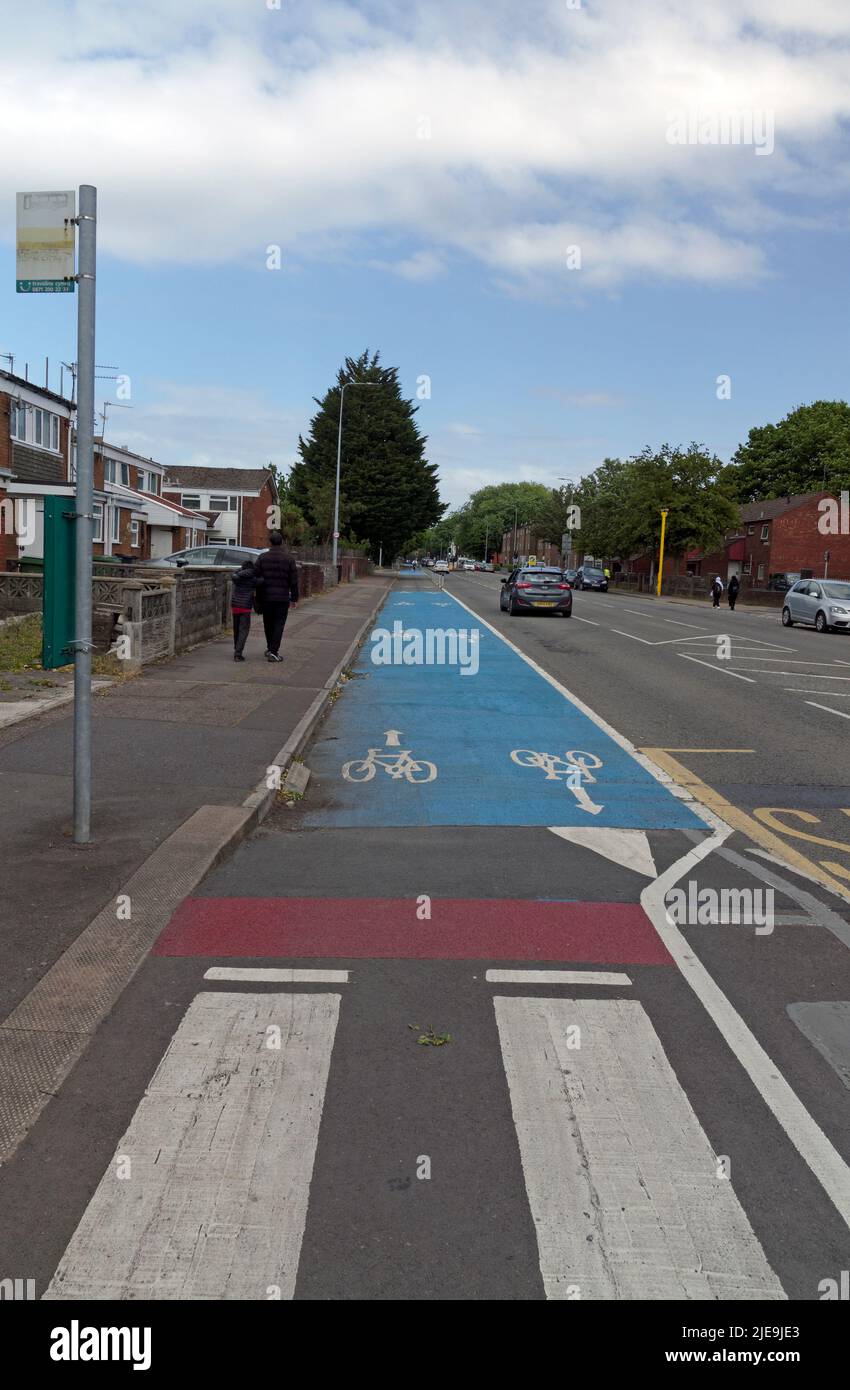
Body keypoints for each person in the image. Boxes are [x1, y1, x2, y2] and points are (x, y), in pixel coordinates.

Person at [253, 530, 299, 662]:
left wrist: (258, 594)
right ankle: (274, 652)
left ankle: (270, 648)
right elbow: (294, 581)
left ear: (270, 542)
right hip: (282, 598)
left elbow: (256, 576)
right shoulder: (289, 559)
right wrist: (294, 598)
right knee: (279, 624)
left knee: (268, 624)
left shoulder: (262, 558)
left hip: (266, 597)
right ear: (282, 542)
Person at [230, 558, 261, 661]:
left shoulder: (237, 577)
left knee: (236, 629)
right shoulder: (254, 580)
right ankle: (238, 654)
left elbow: (233, 574)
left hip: (235, 605)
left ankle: (236, 648)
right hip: (246, 607)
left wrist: (240, 570)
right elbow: (263, 580)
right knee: (244, 631)